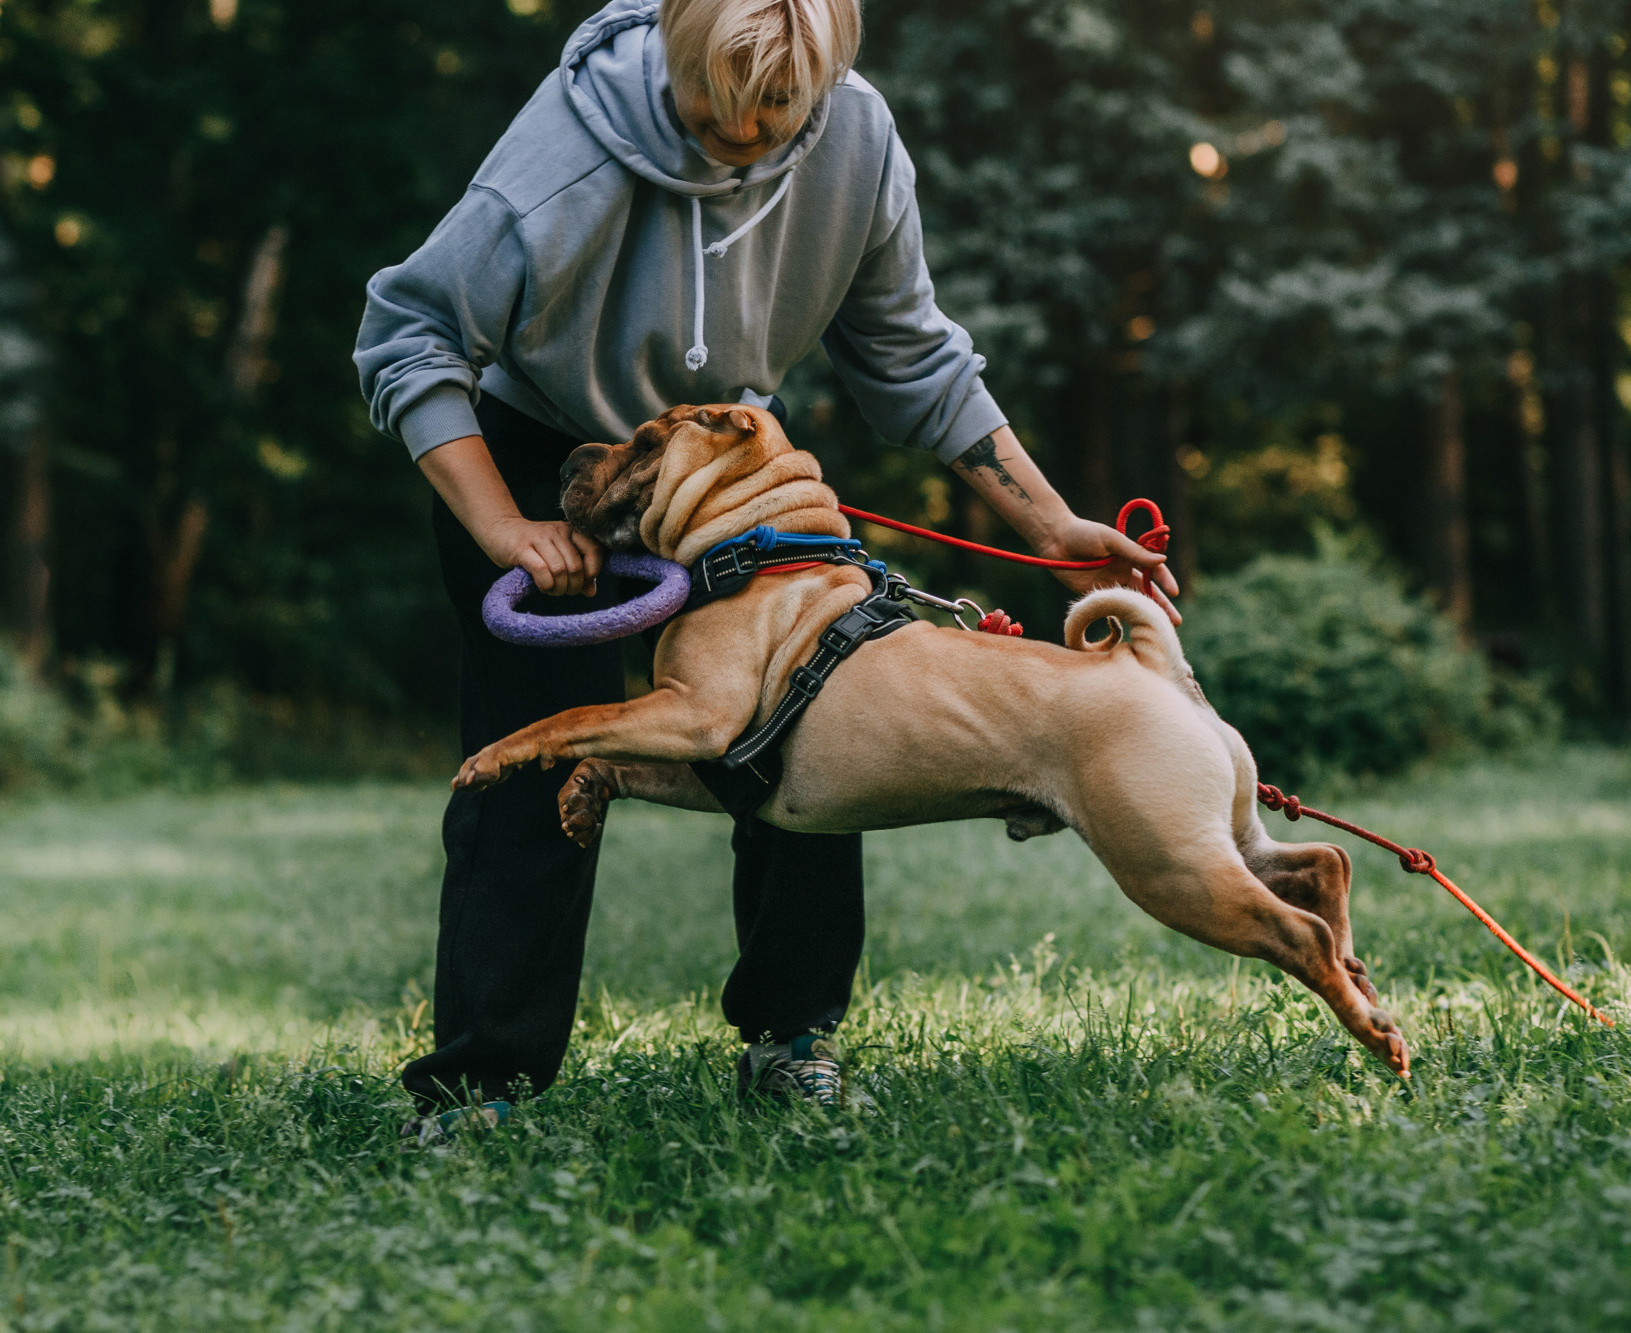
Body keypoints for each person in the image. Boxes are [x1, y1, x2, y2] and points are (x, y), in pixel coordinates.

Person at [354, 0, 1174, 1135]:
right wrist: (506, 528)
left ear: (828, 77)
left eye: (777, 108)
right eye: (711, 105)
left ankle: (792, 1039)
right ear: (675, 58)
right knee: (534, 761)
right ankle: (481, 1083)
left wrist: (1045, 522)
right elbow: (407, 334)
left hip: (735, 468)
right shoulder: (560, 157)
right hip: (554, 463)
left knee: (814, 718)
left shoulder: (857, 140)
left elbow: (907, 351)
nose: (742, 131)